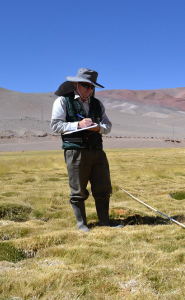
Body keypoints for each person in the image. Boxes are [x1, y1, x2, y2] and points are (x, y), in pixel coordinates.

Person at [51, 68, 120, 231]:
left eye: (92, 87)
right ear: (76, 84)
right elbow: (55, 125)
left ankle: (105, 222)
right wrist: (78, 125)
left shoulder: (97, 104)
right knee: (78, 190)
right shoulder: (62, 101)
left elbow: (107, 125)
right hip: (75, 152)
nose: (89, 89)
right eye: (85, 85)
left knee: (103, 187)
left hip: (97, 151)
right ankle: (82, 225)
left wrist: (98, 128)